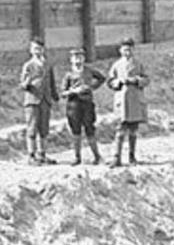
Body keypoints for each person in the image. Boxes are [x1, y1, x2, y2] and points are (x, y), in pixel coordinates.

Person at [60, 48, 107, 165]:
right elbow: (62, 93)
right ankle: (77, 157)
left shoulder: (89, 71)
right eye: (75, 58)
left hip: (87, 104)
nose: (77, 60)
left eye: (80, 57)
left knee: (90, 129)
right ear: (71, 60)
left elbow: (102, 78)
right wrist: (73, 91)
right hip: (73, 105)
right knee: (76, 131)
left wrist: (91, 86)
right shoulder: (68, 75)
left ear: (84, 58)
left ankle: (97, 156)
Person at [106, 38, 148, 167]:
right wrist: (118, 82)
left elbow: (146, 79)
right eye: (124, 49)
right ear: (120, 51)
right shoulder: (117, 65)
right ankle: (116, 157)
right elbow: (110, 81)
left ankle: (132, 156)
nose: (127, 52)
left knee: (133, 130)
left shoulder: (138, 64)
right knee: (120, 130)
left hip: (135, 99)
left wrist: (136, 80)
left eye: (129, 49)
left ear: (133, 50)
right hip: (122, 101)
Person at [18, 38, 59, 164]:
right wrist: (27, 82)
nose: (38, 51)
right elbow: (22, 85)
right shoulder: (28, 66)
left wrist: (55, 97)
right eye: (35, 49)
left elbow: (52, 83)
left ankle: (42, 154)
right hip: (32, 100)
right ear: (31, 50)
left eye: (40, 49)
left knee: (44, 128)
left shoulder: (47, 64)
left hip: (45, 100)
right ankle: (31, 155)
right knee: (32, 127)